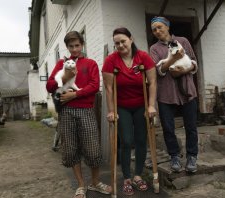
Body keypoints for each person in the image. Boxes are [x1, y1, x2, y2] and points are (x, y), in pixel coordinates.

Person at [46, 31, 111, 198]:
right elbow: (50, 85)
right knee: (71, 148)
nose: (74, 49)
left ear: (82, 45)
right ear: (67, 47)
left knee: (92, 148)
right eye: (71, 46)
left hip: (86, 110)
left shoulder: (90, 63)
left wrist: (74, 95)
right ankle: (81, 185)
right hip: (66, 112)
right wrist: (66, 75)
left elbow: (94, 85)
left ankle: (95, 182)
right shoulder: (62, 63)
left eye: (77, 45)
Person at [102, 27, 157, 196]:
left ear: (131, 39)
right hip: (123, 107)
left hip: (142, 105)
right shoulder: (111, 61)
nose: (120, 45)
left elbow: (152, 82)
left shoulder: (143, 57)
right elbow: (109, 88)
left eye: (123, 41)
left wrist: (151, 106)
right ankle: (126, 177)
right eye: (117, 43)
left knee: (141, 140)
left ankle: (138, 175)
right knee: (126, 141)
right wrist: (111, 111)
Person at [149, 16, 199, 173]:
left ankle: (192, 156)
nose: (157, 31)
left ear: (167, 27)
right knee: (168, 128)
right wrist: (174, 59)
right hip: (166, 93)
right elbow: (159, 70)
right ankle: (174, 156)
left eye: (160, 27)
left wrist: (184, 70)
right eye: (154, 29)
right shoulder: (154, 49)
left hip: (187, 89)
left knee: (191, 126)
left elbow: (193, 62)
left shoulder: (183, 41)